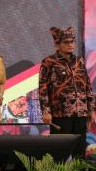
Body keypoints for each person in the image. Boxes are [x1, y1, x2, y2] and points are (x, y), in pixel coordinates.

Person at [39, 26, 95, 157]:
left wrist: (91, 109)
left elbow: (87, 86)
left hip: (80, 113)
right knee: (59, 153)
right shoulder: (49, 62)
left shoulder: (79, 61)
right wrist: (45, 111)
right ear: (57, 44)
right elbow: (43, 88)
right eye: (66, 42)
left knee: (79, 152)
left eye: (72, 41)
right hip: (60, 114)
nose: (70, 45)